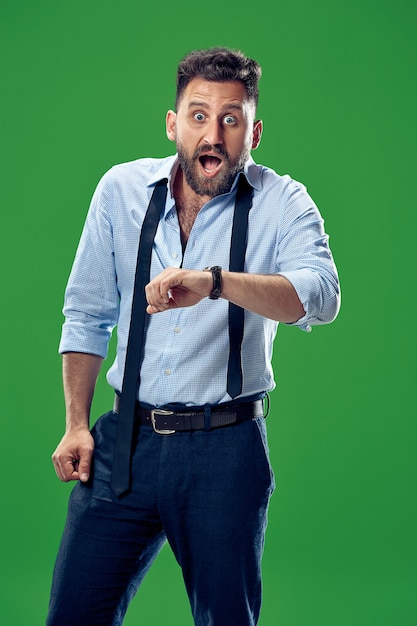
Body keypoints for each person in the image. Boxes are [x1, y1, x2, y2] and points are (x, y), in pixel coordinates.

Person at [47, 47, 340, 626]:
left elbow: (321, 295)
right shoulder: (121, 192)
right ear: (172, 123)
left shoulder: (284, 202)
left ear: (253, 131)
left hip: (225, 451)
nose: (213, 134)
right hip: (123, 444)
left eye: (231, 119)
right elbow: (86, 313)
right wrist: (77, 425)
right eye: (199, 115)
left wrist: (215, 283)